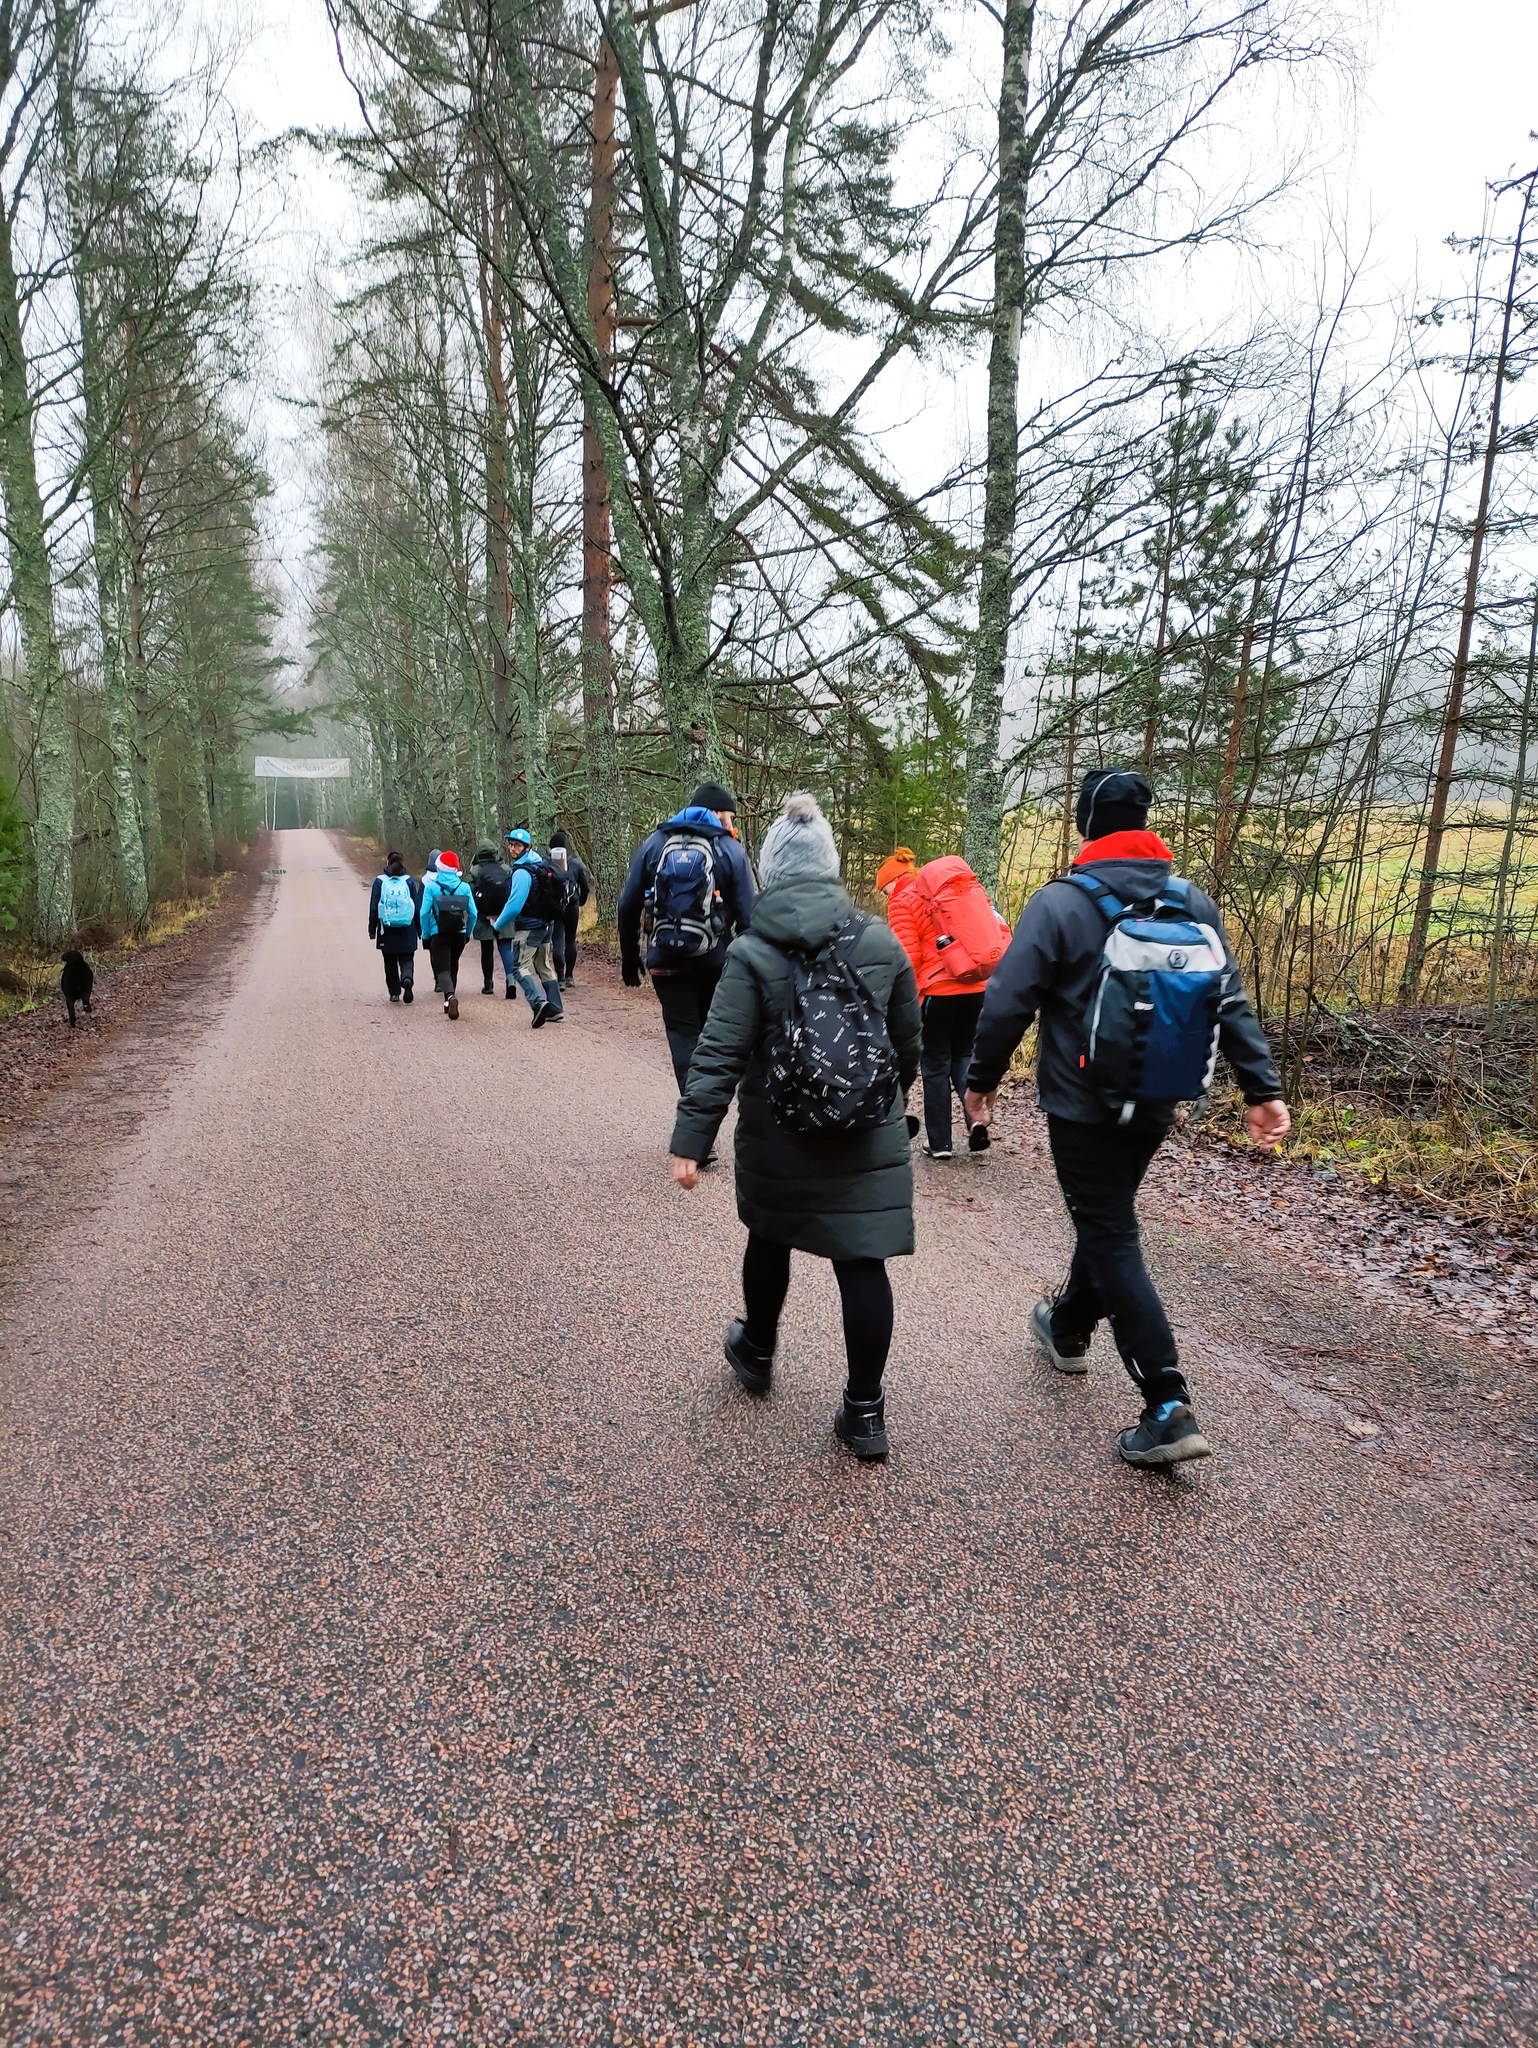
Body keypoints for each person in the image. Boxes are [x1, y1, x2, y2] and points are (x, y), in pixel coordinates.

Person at [962, 768, 1291, 1470]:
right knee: (1105, 1217)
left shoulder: (1059, 904)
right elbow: (1228, 1000)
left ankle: (1166, 1403)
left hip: (1081, 1105)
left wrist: (979, 1083)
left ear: (1087, 824)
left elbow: (1007, 1000)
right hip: (1159, 1096)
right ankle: (1070, 1326)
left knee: (1109, 1228)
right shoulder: (1190, 899)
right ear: (1145, 823)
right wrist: (1261, 1088)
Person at [669, 792, 920, 1461]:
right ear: (833, 868)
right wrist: (892, 1101)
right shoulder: (880, 938)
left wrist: (692, 1140)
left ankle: (757, 1350)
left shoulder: (753, 950)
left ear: (771, 872)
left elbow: (719, 1049)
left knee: (771, 1234)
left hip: (780, 1127)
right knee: (861, 1260)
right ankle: (864, 1412)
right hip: (867, 1128)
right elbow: (906, 1039)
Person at [619, 780, 757, 1092]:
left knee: (683, 1034)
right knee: (712, 1036)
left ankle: (693, 1107)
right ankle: (706, 1114)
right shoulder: (730, 849)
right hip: (713, 961)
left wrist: (630, 958)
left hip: (665, 960)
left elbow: (627, 904)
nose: (732, 823)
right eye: (730, 816)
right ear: (717, 813)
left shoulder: (655, 842)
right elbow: (749, 917)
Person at [878, 846, 1010, 1161]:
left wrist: (896, 998)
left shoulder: (901, 902)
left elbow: (908, 958)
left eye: (883, 889)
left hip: (938, 992)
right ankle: (977, 1121)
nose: (884, 896)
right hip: (975, 986)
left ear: (891, 882)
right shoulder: (940, 894)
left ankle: (940, 1143)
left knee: (935, 1064)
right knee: (963, 1056)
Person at [492, 828, 566, 1027]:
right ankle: (556, 1009)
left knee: (518, 967)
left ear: (527, 847)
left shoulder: (523, 872)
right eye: (511, 844)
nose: (512, 848)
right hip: (546, 925)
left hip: (529, 928)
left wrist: (497, 925)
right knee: (543, 965)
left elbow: (514, 905)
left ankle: (538, 1003)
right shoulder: (539, 864)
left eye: (517, 845)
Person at [419, 849, 477, 1019]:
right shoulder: (464, 887)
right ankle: (448, 1001)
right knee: (453, 965)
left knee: (442, 969)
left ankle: (450, 996)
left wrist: (425, 934)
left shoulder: (431, 887)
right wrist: (468, 932)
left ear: (440, 868)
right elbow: (473, 913)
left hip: (439, 933)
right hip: (459, 933)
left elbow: (424, 913)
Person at [367, 849, 422, 1004]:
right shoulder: (409, 881)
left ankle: (394, 992)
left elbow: (373, 908)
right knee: (407, 958)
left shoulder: (380, 881)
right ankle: (407, 978)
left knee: (389, 961)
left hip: (387, 929)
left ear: (387, 863)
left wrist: (372, 929)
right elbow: (416, 907)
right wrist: (419, 929)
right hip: (407, 928)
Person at [469, 839, 516, 997]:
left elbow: (470, 895)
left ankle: (488, 984)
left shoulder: (474, 871)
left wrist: (481, 913)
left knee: (486, 949)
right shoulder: (506, 869)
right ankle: (511, 981)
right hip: (505, 915)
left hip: (484, 916)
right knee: (505, 947)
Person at [547, 830, 591, 989]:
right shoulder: (576, 863)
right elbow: (585, 885)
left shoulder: (547, 863)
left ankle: (560, 979)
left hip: (555, 907)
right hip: (572, 906)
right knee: (570, 939)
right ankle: (570, 976)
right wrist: (581, 901)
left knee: (557, 940)